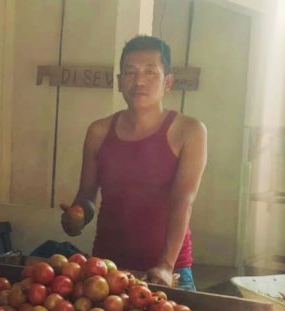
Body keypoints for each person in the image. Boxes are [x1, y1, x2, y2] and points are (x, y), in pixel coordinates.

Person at [61, 35, 207, 291]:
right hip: (106, 269)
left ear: (168, 82)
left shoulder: (189, 131)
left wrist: (165, 264)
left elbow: (183, 200)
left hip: (168, 270)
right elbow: (86, 197)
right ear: (119, 82)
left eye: (151, 72)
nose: (139, 81)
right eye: (130, 72)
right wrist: (76, 218)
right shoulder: (99, 131)